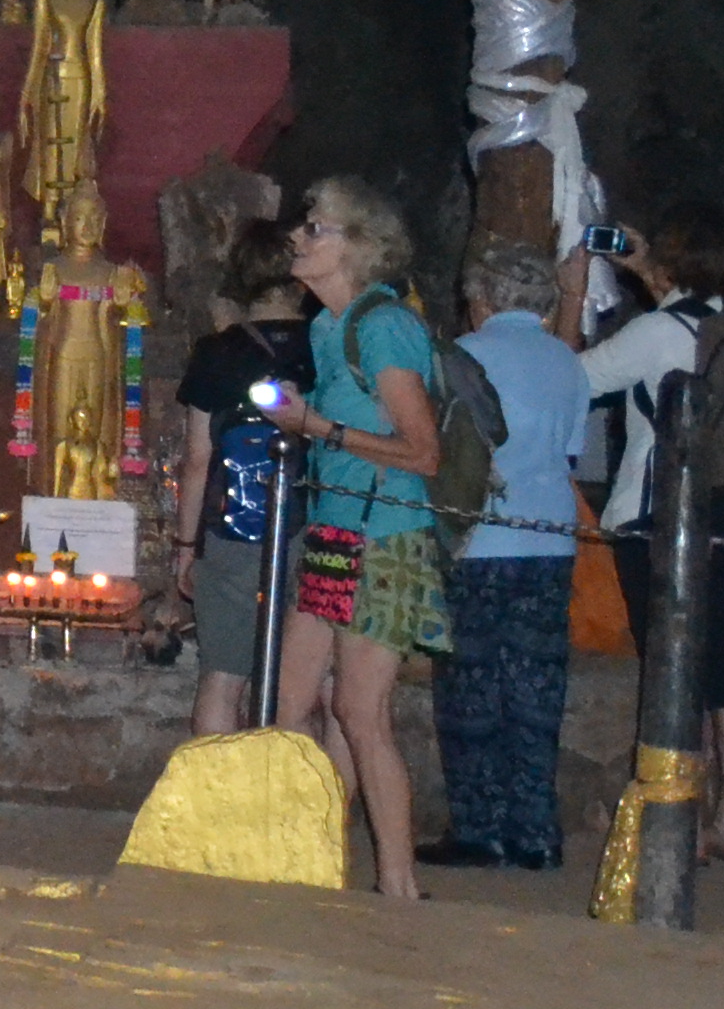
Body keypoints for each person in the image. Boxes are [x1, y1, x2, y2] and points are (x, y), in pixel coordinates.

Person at [264, 177, 448, 899]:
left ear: (359, 247)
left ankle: (399, 883)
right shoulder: (325, 328)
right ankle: (310, 855)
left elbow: (423, 452)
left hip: (387, 536)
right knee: (287, 701)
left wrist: (318, 427)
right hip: (336, 532)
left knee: (361, 713)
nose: (298, 236)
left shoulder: (385, 326)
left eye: (315, 227)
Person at [580, 200, 724, 860]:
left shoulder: (658, 331)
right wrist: (644, 274)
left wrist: (580, 289)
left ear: (672, 261)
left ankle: (678, 815)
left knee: (672, 667)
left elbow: (575, 379)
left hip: (656, 517)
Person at [422, 238, 585, 872]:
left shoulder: (462, 355)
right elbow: (570, 453)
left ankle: (481, 827)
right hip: (551, 538)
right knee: (535, 687)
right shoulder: (567, 361)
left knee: (471, 686)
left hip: (480, 538)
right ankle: (538, 831)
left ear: (482, 298)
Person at [164, 222, 316, 739]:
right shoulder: (326, 345)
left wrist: (186, 548)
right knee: (312, 685)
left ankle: (220, 787)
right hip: (316, 529)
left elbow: (197, 459)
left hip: (235, 528)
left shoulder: (217, 352)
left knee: (223, 676)